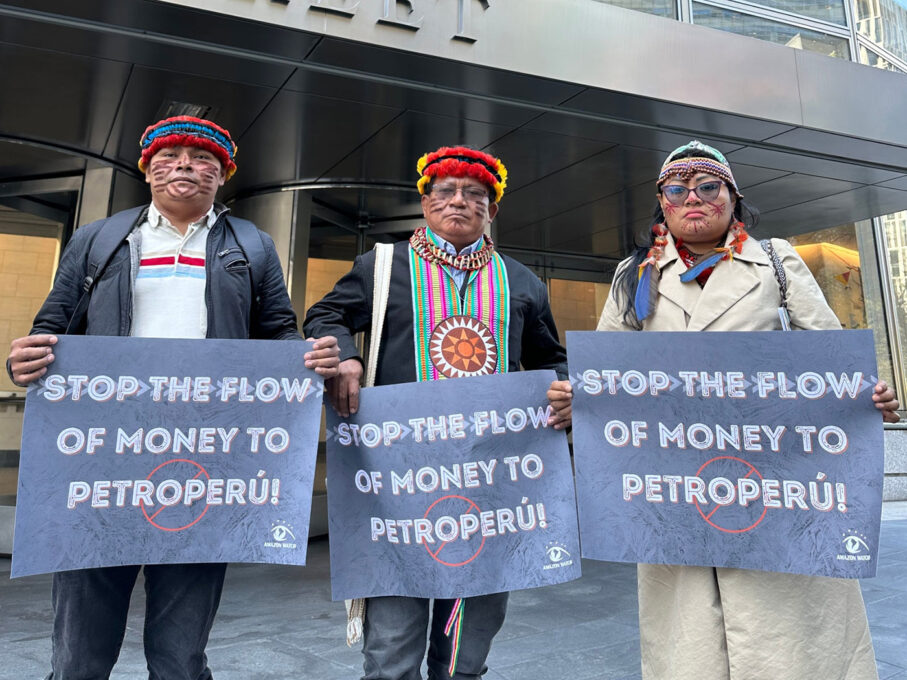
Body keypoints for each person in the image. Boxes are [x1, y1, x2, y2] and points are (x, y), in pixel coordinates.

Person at [548, 140, 900, 680]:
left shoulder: (778, 263)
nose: (693, 198)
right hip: (675, 486)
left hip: (777, 482)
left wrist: (868, 396)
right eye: (676, 189)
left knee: (789, 645)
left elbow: (832, 360)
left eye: (708, 187)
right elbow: (606, 375)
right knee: (689, 645)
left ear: (732, 197)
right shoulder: (634, 276)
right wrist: (577, 400)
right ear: (661, 203)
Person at [6, 115, 340, 680]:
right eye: (170, 153)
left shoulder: (253, 245)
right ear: (147, 168)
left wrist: (308, 359)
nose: (185, 163)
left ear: (223, 174)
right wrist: (24, 361)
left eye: (201, 156)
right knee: (78, 655)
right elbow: (51, 327)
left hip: (203, 459)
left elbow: (281, 334)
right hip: (101, 459)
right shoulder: (100, 238)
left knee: (181, 654)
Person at [304, 145, 568, 680]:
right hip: (396, 487)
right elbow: (325, 315)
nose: (459, 202)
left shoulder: (520, 281)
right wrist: (345, 354)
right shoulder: (379, 267)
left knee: (464, 655)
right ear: (425, 205)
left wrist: (564, 393)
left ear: (491, 211)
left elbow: (551, 360)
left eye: (475, 195)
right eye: (445, 192)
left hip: (490, 488)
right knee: (391, 654)